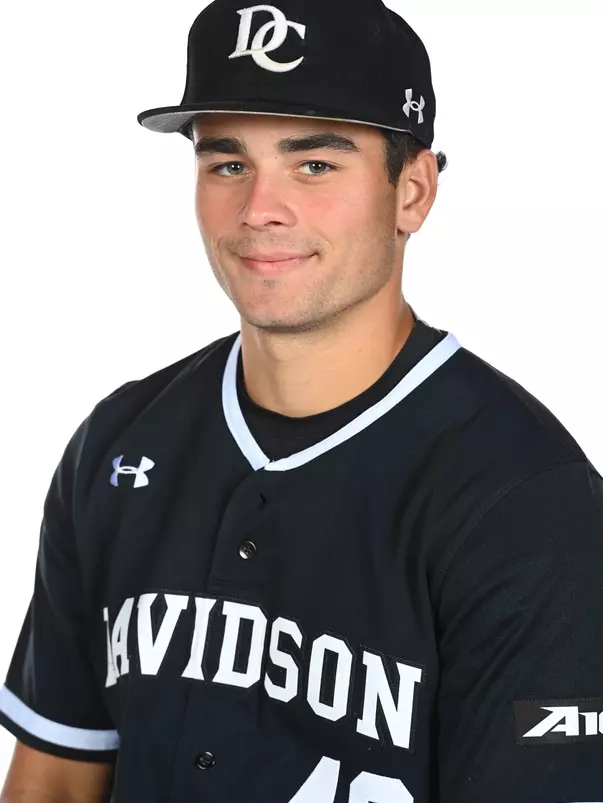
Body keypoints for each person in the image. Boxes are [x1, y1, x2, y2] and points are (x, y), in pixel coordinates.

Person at [1, 0, 602, 801]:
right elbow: (55, 782)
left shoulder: (526, 500)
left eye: (313, 164)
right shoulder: (117, 443)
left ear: (412, 192)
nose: (258, 209)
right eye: (227, 163)